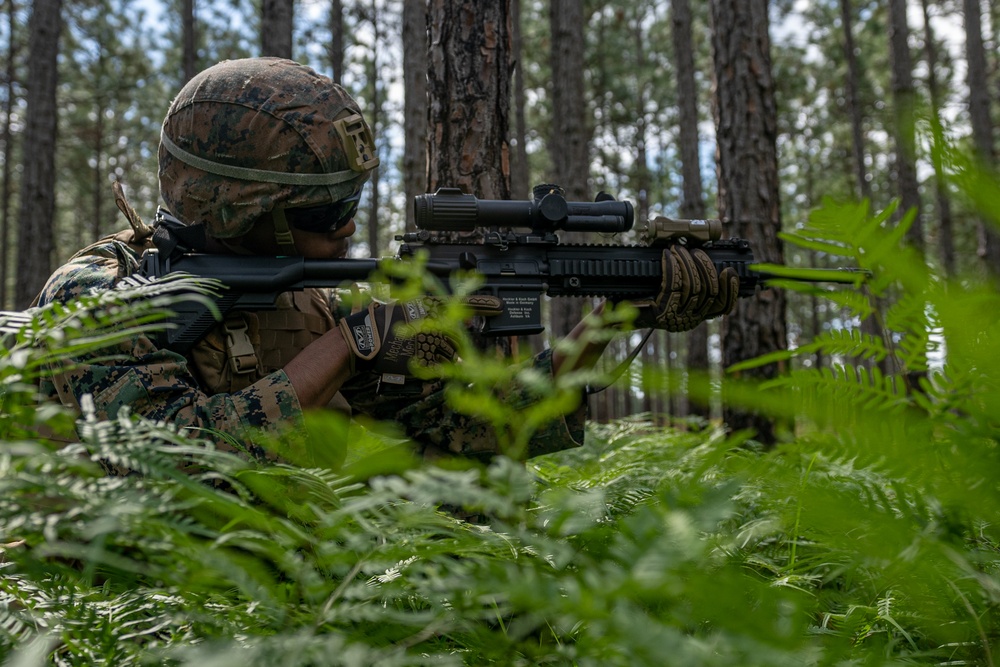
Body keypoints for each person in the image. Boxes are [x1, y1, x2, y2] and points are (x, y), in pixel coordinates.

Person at [34, 57, 738, 465]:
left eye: (352, 202)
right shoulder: (98, 300)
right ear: (235, 209)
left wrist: (614, 318)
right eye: (319, 213)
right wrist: (351, 345)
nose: (345, 228)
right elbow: (179, 468)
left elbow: (488, 429)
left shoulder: (307, 298)